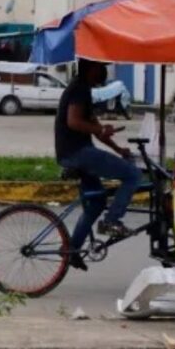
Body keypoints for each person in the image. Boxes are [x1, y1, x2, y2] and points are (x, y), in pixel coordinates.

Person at [55, 59, 142, 269]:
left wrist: (118, 149)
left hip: (74, 153)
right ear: (92, 68)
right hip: (78, 153)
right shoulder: (78, 90)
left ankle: (72, 249)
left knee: (96, 203)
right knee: (133, 175)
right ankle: (112, 220)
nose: (104, 70)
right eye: (101, 67)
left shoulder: (84, 90)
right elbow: (74, 121)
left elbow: (95, 127)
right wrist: (99, 131)